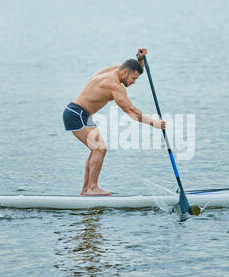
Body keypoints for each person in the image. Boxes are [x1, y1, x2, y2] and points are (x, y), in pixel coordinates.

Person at [63, 48, 166, 196]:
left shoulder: (118, 69)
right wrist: (153, 122)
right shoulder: (114, 85)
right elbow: (130, 111)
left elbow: (133, 67)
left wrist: (140, 59)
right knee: (99, 148)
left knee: (96, 149)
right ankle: (91, 188)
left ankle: (86, 189)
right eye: (134, 79)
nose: (134, 82)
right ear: (124, 73)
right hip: (76, 114)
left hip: (82, 114)